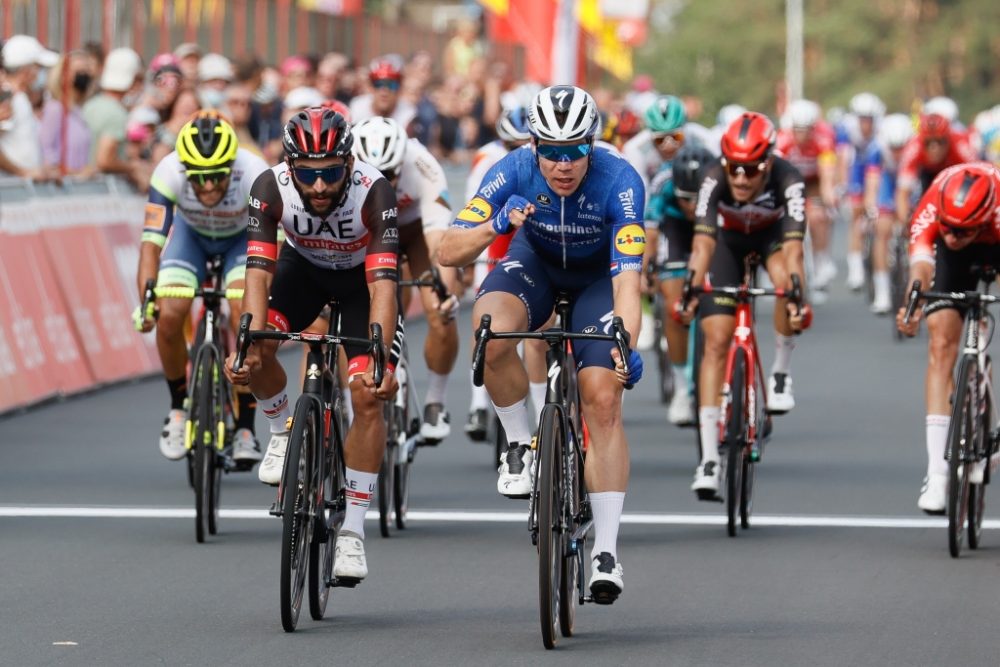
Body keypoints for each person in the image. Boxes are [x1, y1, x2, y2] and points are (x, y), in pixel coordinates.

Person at [437, 85, 645, 604]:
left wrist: (626, 340)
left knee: (601, 395)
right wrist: (494, 223)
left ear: (591, 146)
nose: (563, 164)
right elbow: (447, 248)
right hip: (538, 266)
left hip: (600, 279)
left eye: (575, 150)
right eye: (551, 152)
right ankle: (518, 444)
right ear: (534, 147)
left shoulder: (620, 181)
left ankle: (607, 551)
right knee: (489, 333)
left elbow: (627, 282)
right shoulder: (511, 170)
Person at [224, 107, 399, 581]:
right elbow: (257, 275)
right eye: (308, 175)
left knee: (366, 392)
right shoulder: (269, 187)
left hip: (362, 284)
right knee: (254, 346)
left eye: (329, 174)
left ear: (347, 163)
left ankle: (353, 533)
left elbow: (384, 285)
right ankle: (282, 431)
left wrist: (380, 359)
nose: (319, 187)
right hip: (301, 274)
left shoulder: (375, 191)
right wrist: (248, 341)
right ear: (290, 168)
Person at [677, 111, 812, 500]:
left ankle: (781, 373)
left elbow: (794, 251)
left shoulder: (789, 178)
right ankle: (708, 458)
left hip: (773, 238)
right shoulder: (712, 178)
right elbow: (702, 245)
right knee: (716, 340)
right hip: (727, 245)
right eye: (733, 168)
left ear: (767, 163)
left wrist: (796, 295)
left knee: (787, 284)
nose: (739, 178)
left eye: (750, 170)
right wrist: (690, 288)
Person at [135, 112, 269, 466]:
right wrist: (147, 302)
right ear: (185, 170)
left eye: (217, 177)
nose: (209, 186)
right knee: (168, 314)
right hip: (191, 238)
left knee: (246, 315)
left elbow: (273, 249)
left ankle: (245, 428)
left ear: (231, 166)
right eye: (199, 178)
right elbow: (150, 245)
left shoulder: (254, 173)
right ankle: (178, 408)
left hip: (241, 240)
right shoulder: (167, 171)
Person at [896, 162, 1000, 513]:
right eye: (949, 227)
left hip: (994, 246)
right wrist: (912, 305)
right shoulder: (933, 206)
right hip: (952, 264)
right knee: (940, 343)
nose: (953, 234)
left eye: (962, 230)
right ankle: (937, 473)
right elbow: (922, 267)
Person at [352, 116, 460, 443]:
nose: (381, 183)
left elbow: (440, 243)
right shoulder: (342, 168)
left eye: (389, 175)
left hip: (412, 233)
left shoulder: (422, 166)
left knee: (440, 310)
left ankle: (435, 401)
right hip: (364, 233)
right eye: (372, 174)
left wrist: (445, 289)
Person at [462, 106, 535, 439]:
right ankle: (479, 403)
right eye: (511, 144)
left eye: (525, 143)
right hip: (498, 233)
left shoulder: (544, 161)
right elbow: (473, 216)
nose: (518, 151)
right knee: (486, 325)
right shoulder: (488, 159)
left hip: (533, 234)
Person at [644, 144, 716, 425]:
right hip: (674, 232)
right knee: (675, 304)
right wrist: (648, 270)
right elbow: (650, 233)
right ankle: (682, 389)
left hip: (710, 228)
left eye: (698, 200)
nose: (691, 207)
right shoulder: (663, 183)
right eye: (685, 199)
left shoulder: (719, 184)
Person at [775, 99, 838, 291]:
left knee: (818, 216)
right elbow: (776, 174)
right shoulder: (782, 140)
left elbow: (827, 174)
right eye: (798, 130)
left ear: (813, 129)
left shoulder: (823, 140)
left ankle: (820, 259)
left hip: (813, 181)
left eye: (806, 130)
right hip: (790, 181)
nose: (802, 135)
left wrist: (828, 196)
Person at [862, 113, 913, 313]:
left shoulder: (915, 149)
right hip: (887, 184)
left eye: (901, 148)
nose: (898, 153)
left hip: (909, 184)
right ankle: (882, 291)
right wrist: (871, 208)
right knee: (882, 230)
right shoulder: (877, 150)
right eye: (894, 148)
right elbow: (872, 183)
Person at [895, 113, 978, 227]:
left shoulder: (960, 144)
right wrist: (906, 223)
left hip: (955, 174)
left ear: (948, 139)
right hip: (927, 175)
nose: (935, 148)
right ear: (922, 141)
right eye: (928, 143)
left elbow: (977, 181)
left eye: (940, 141)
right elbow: (902, 193)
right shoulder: (914, 147)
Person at [842, 92, 886, 291]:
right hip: (857, 168)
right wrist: (842, 184)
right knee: (857, 214)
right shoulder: (848, 130)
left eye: (869, 119)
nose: (865, 124)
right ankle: (856, 269)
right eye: (862, 119)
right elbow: (842, 160)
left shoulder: (883, 131)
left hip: (877, 168)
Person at [622, 94, 688, 195]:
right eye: (660, 139)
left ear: (685, 130)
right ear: (650, 137)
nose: (668, 145)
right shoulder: (635, 149)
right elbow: (639, 193)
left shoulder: (701, 140)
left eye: (676, 137)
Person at [349, 54, 416, 129]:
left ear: (399, 88)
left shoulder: (407, 112)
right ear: (370, 87)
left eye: (391, 85)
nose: (384, 92)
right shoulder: (357, 107)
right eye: (378, 84)